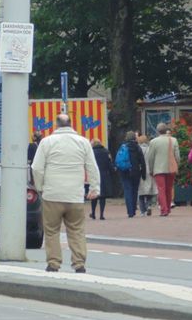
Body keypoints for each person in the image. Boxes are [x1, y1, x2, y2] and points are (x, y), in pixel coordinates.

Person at [31, 113, 100, 273]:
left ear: (56, 125)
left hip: (52, 194)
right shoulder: (83, 142)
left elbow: (37, 168)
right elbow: (92, 166)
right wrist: (94, 188)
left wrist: (41, 187)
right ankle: (79, 263)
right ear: (70, 124)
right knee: (76, 229)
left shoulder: (47, 142)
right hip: (75, 195)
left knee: (52, 230)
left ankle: (54, 263)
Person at [147, 123, 180, 217]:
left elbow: (150, 157)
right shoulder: (173, 140)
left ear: (157, 131)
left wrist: (151, 168)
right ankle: (168, 208)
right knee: (169, 189)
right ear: (166, 131)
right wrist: (177, 164)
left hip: (158, 169)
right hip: (170, 168)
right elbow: (177, 156)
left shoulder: (153, 142)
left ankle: (164, 210)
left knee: (161, 189)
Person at [117, 131, 146, 218]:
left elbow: (119, 159)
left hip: (125, 171)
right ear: (135, 138)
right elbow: (142, 162)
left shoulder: (123, 146)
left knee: (127, 190)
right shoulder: (137, 147)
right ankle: (133, 210)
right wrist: (143, 174)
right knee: (134, 191)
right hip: (136, 171)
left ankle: (129, 211)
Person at [90, 138, 114, 220]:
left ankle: (93, 213)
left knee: (95, 195)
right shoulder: (106, 151)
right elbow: (109, 163)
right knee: (102, 196)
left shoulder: (91, 152)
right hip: (104, 175)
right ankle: (101, 214)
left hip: (94, 175)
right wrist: (112, 171)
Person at [137, 134, 156, 216]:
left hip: (140, 171)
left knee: (141, 192)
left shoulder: (138, 149)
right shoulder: (150, 149)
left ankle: (142, 211)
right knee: (149, 191)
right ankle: (148, 205)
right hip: (149, 171)